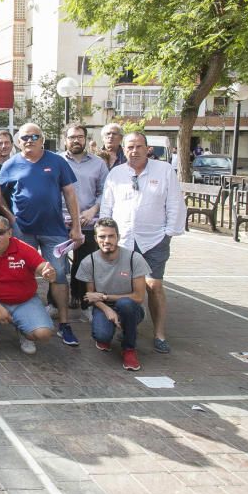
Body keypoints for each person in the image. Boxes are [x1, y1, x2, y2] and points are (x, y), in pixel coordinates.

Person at [99, 132, 186, 354]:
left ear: (147, 148)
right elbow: (107, 206)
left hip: (154, 238)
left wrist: (169, 232)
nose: (134, 151)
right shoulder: (116, 174)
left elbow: (174, 202)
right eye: (130, 147)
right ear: (124, 149)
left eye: (139, 146)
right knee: (124, 287)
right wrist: (105, 234)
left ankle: (159, 333)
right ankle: (127, 326)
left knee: (154, 286)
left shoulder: (164, 170)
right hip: (124, 239)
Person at [0, 123, 83, 347]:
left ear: (42, 138)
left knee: (59, 275)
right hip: (22, 230)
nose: (29, 140)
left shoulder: (57, 162)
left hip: (54, 230)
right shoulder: (10, 164)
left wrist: (76, 226)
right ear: (18, 142)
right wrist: (10, 217)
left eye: (35, 136)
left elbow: (70, 194)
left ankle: (64, 323)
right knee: (20, 274)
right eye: (25, 137)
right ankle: (25, 324)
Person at [0, 215, 57, 356]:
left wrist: (47, 271)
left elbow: (41, 265)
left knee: (43, 334)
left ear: (9, 233)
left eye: (0, 232)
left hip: (24, 301)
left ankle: (23, 332)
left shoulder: (23, 247)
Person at [76, 218, 149, 372]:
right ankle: (108, 332)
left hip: (131, 306)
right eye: (102, 236)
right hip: (103, 307)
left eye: (111, 236)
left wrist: (104, 297)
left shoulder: (134, 258)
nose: (106, 240)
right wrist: (107, 308)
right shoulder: (89, 262)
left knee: (125, 305)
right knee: (102, 337)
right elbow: (91, 296)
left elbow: (138, 297)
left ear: (118, 237)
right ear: (95, 238)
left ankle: (129, 348)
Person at [59, 123, 109, 318]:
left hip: (89, 221)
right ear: (65, 140)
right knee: (58, 264)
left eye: (80, 137)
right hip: (61, 221)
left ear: (86, 139)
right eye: (72, 137)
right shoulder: (56, 161)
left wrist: (93, 210)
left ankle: (83, 300)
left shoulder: (99, 164)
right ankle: (56, 301)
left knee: (85, 263)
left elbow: (105, 191)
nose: (76, 140)